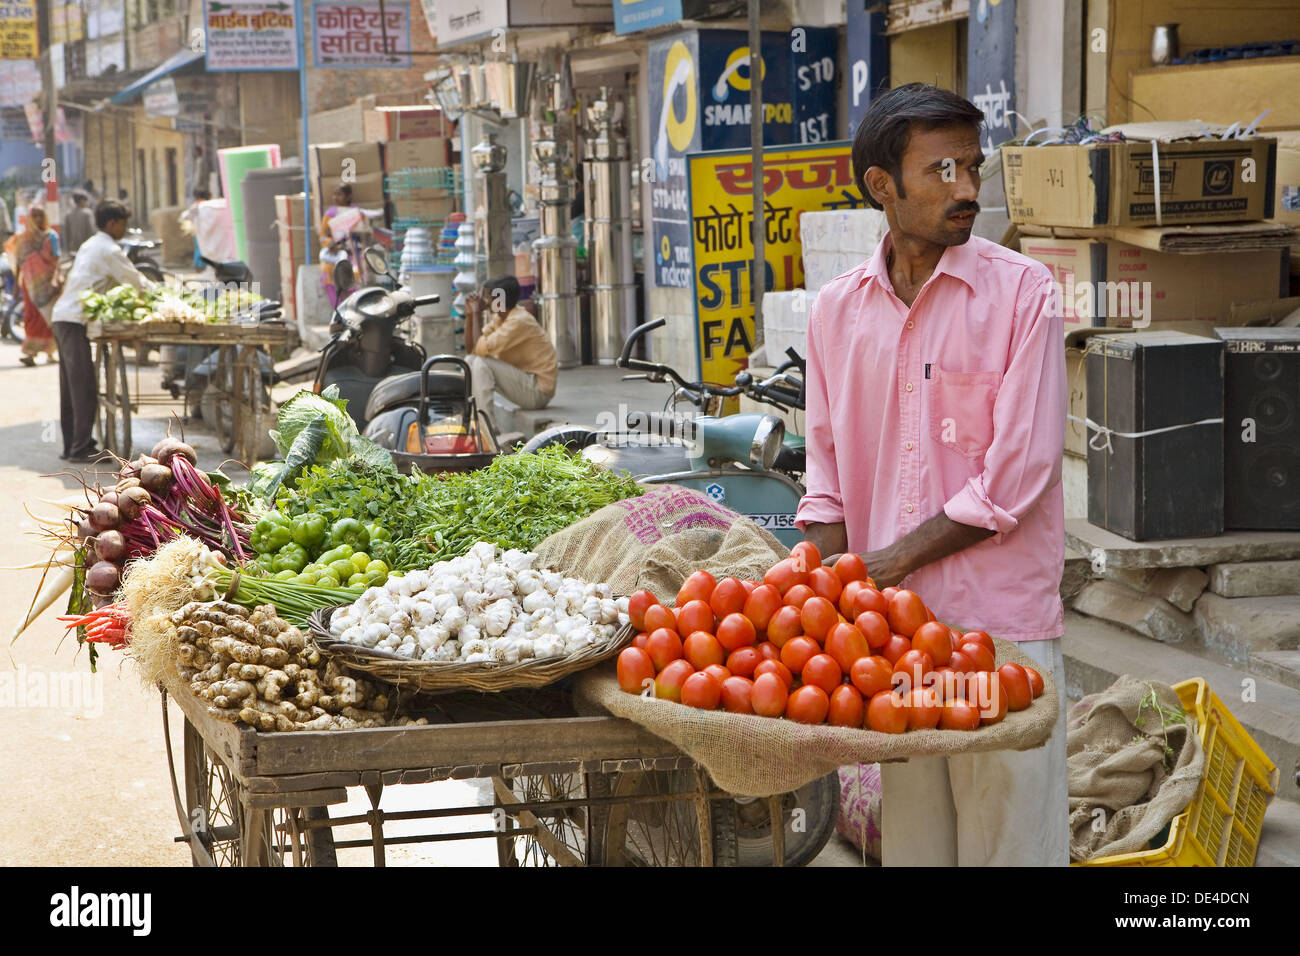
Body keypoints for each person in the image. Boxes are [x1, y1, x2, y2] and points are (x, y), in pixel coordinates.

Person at [796, 83, 1068, 866]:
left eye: (973, 167)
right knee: (917, 846)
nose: (967, 190)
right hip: (896, 638)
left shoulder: (1024, 294)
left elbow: (1021, 473)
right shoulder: (836, 313)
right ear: (882, 186)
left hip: (999, 628)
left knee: (1010, 846)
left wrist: (886, 564)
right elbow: (827, 480)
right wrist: (816, 589)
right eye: (941, 170)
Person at [51, 200, 154, 462]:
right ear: (112, 223)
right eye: (122, 223)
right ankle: (81, 448)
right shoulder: (109, 248)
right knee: (84, 386)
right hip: (73, 320)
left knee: (71, 387)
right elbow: (134, 280)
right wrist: (160, 293)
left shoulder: (91, 243)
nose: (124, 228)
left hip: (63, 317)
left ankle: (72, 445)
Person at [465, 275, 557, 430]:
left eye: (487, 297)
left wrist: (476, 313)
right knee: (469, 360)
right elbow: (472, 349)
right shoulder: (500, 318)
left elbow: (480, 350)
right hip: (524, 383)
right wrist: (469, 315)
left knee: (481, 364)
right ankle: (474, 423)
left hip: (538, 392)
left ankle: (488, 430)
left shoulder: (518, 321)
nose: (484, 302)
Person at [14, 205, 61, 365]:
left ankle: (51, 352)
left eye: (41, 216)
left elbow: (56, 258)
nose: (39, 220)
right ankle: (31, 353)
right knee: (31, 317)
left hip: (48, 285)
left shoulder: (51, 236)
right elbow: (19, 264)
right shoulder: (23, 239)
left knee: (49, 317)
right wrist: (16, 285)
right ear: (29, 219)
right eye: (35, 216)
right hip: (30, 285)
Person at [319, 184, 368, 308]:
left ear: (348, 196)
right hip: (335, 253)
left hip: (353, 252)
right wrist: (329, 242)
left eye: (339, 194)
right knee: (327, 271)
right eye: (334, 194)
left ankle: (355, 307)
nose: (335, 198)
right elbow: (322, 235)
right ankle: (339, 310)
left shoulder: (355, 212)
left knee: (355, 271)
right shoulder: (330, 213)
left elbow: (364, 234)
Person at [178, 187, 212, 270]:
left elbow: (187, 217)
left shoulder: (194, 205)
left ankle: (198, 265)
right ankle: (203, 265)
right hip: (206, 229)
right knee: (203, 247)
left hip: (196, 230)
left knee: (198, 248)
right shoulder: (206, 205)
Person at [63, 192, 95, 257]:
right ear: (82, 201)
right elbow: (91, 231)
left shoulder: (68, 214)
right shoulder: (87, 213)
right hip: (86, 248)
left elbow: (66, 233)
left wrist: (67, 249)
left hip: (73, 249)